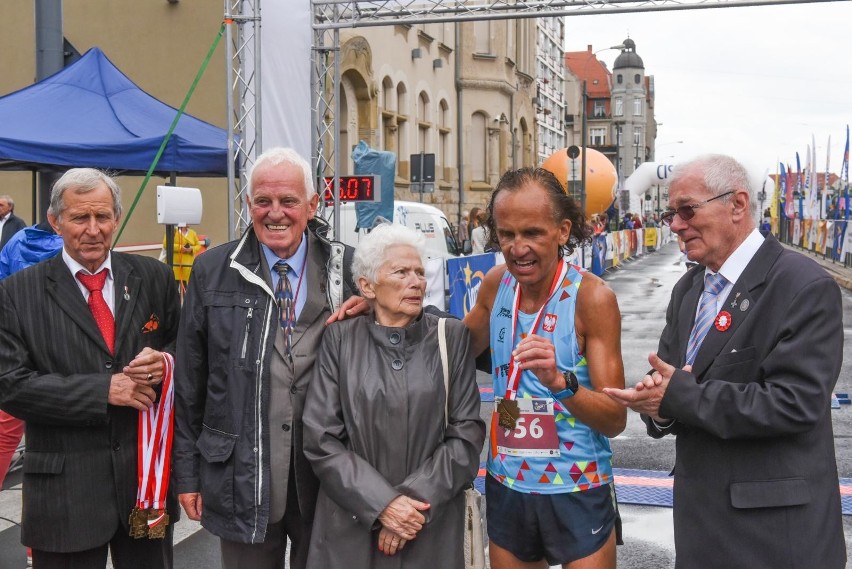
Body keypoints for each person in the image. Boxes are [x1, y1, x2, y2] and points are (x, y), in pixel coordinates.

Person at [603, 154, 846, 568]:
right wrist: (655, 402)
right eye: (670, 213)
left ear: (737, 204)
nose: (676, 224)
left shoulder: (804, 286)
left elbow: (795, 403)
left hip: (775, 538)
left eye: (687, 209)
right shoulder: (689, 289)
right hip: (702, 529)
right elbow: (671, 378)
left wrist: (675, 395)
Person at [173, 147, 358, 569]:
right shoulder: (212, 270)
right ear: (248, 204)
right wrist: (187, 474)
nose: (275, 213)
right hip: (240, 475)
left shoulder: (346, 268)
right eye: (263, 201)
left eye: (289, 201)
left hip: (328, 476)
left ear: (312, 206)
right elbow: (190, 382)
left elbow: (410, 317)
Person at [0, 168, 180, 568]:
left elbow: (182, 346)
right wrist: (103, 390)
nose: (93, 229)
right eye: (80, 218)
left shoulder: (155, 277)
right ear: (55, 222)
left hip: (145, 488)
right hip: (65, 496)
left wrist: (165, 364)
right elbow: (11, 386)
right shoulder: (16, 293)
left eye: (103, 217)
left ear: (117, 218)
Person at [463, 167, 626, 569]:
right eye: (507, 234)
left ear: (563, 231)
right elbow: (447, 351)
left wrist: (560, 382)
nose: (518, 248)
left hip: (577, 485)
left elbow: (615, 419)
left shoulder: (592, 298)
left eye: (533, 233)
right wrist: (381, 313)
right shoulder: (495, 285)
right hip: (508, 483)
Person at [302, 223, 485, 568]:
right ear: (367, 285)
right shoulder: (339, 339)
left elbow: (466, 436)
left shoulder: (451, 336)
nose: (416, 282)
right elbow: (321, 438)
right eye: (401, 272)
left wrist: (408, 506)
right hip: (350, 528)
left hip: (428, 525)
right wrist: (381, 504)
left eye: (419, 272)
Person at [0, 220, 64, 489]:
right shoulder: (67, 248)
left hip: (12, 337)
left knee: (6, 426)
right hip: (54, 343)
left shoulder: (17, 240)